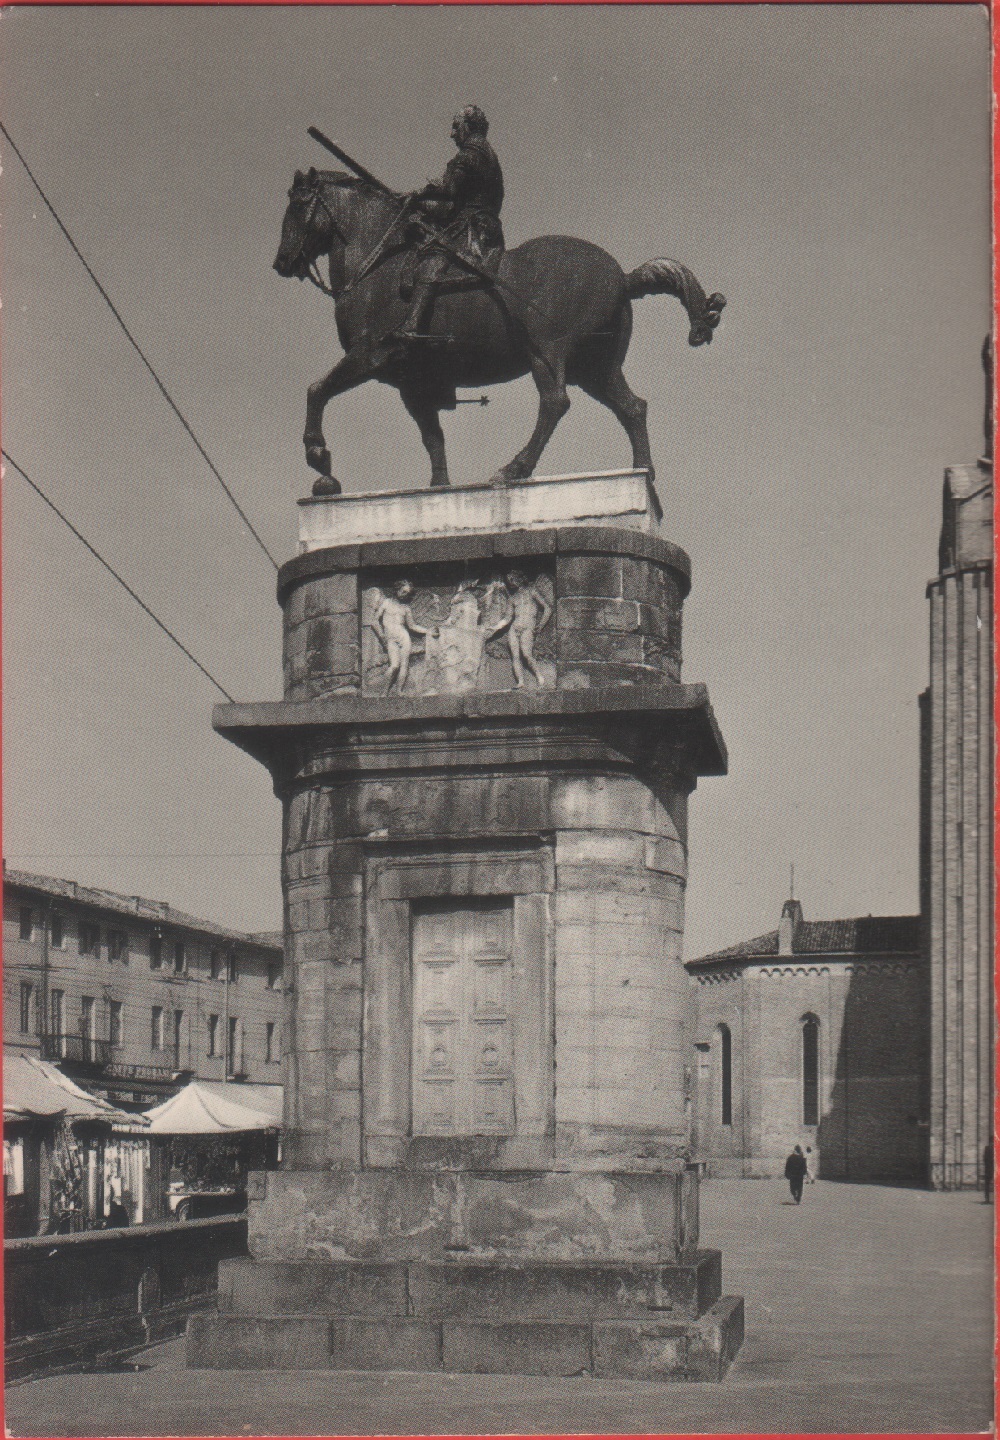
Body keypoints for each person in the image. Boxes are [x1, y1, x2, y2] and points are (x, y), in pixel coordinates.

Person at [395, 105, 505, 344]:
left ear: (468, 126)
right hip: (486, 225)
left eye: (456, 127)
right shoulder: (488, 153)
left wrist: (416, 195)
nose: (452, 134)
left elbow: (448, 190)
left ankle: (411, 326)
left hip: (472, 228)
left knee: (431, 262)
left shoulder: (469, 154)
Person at [371, 580, 436, 694]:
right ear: (397, 589)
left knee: (404, 665)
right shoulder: (386, 602)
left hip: (404, 637)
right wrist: (382, 636)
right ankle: (383, 692)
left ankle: (399, 691)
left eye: (407, 592)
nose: (404, 594)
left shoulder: (406, 608)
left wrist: (428, 631)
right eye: (403, 591)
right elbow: (374, 621)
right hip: (390, 638)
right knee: (394, 666)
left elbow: (412, 626)